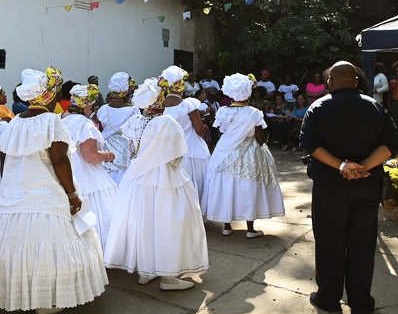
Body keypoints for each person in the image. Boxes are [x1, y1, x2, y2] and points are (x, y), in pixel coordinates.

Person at [0, 67, 108, 314]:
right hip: (47, 194)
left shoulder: (13, 123)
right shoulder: (51, 121)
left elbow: (4, 158)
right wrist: (73, 194)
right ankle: (49, 299)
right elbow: (60, 160)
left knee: (20, 245)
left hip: (15, 195)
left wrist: (7, 188)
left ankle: (24, 293)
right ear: (47, 95)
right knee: (51, 245)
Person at [300, 61, 398, 314]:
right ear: (356, 81)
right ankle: (361, 304)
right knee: (363, 243)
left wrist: (342, 166)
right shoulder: (376, 106)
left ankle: (329, 299)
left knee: (330, 240)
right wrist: (362, 167)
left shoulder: (318, 106)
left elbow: (309, 143)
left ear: (329, 81)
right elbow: (391, 144)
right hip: (367, 185)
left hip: (330, 187)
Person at [104, 100, 209, 291]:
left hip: (136, 179)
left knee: (143, 223)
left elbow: (131, 152)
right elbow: (176, 158)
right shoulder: (166, 122)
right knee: (168, 224)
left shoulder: (134, 122)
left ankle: (147, 271)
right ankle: (168, 277)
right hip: (165, 178)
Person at [202, 73, 285, 238]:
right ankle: (250, 229)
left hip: (225, 153)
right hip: (249, 152)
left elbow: (220, 133)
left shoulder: (223, 112)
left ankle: (226, 226)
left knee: (227, 186)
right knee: (248, 188)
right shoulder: (253, 112)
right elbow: (260, 138)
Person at [62, 84, 118, 249]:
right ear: (86, 105)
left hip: (65, 175)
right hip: (86, 177)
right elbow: (91, 156)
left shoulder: (60, 119)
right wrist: (108, 155)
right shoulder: (83, 124)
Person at [161, 65, 210, 201]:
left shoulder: (159, 106)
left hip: (167, 150)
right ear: (181, 84)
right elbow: (200, 130)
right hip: (190, 149)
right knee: (193, 181)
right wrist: (204, 126)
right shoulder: (187, 105)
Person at [96, 72, 140, 185]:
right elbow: (136, 134)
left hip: (106, 150)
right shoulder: (133, 110)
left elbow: (99, 130)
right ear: (125, 90)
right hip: (125, 150)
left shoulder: (102, 109)